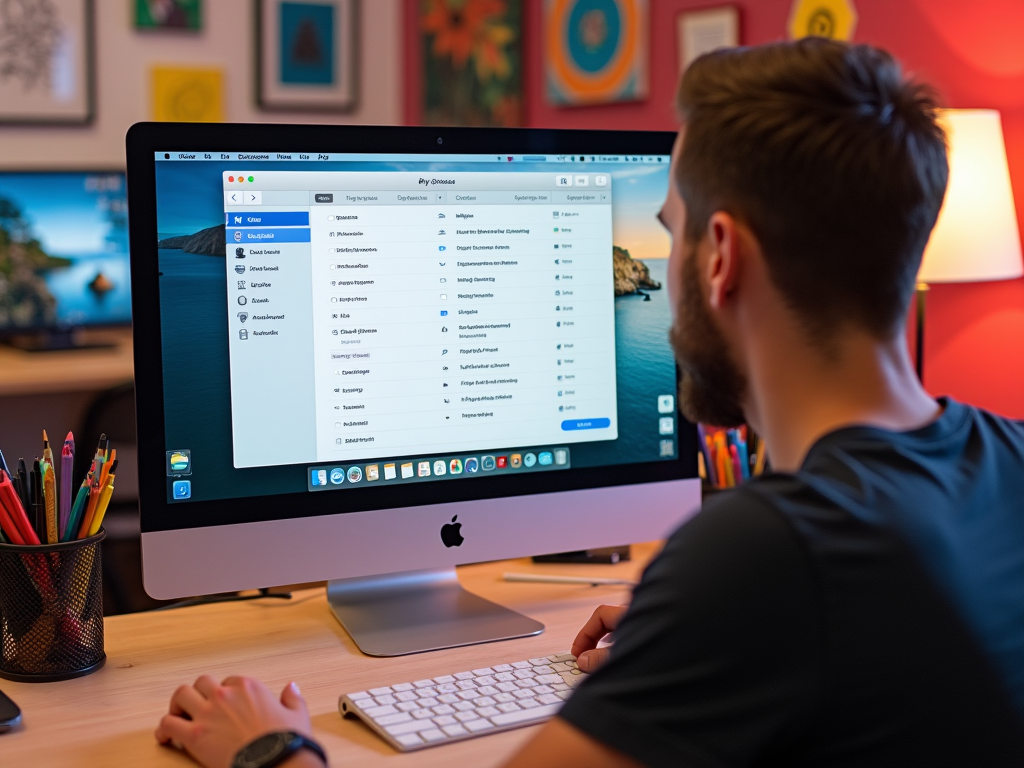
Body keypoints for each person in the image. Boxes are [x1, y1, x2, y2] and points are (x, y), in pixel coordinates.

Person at [155, 39, 1024, 768]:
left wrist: (269, 747)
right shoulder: (1010, 459)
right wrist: (696, 633)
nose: (664, 265)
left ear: (719, 255)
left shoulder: (767, 556)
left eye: (672, 228)